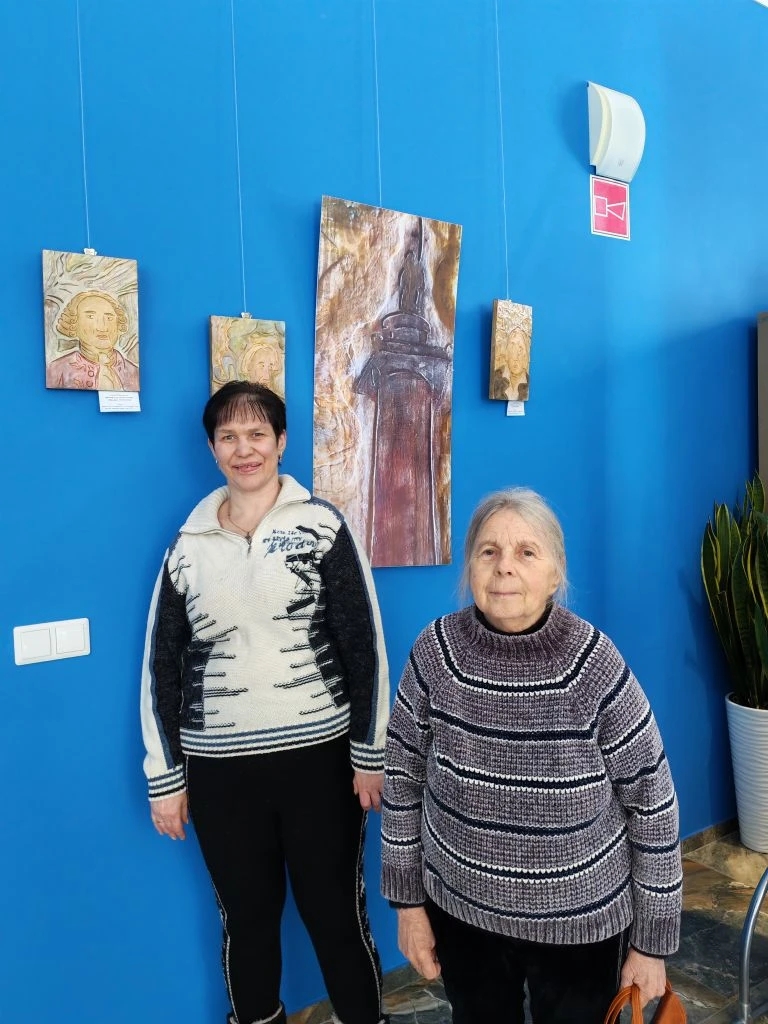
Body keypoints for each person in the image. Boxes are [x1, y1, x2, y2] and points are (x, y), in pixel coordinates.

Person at [381, 488, 682, 1024]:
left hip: (579, 930)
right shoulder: (436, 653)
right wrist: (408, 906)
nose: (504, 568)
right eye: (489, 551)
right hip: (462, 916)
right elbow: (401, 779)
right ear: (470, 566)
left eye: (526, 552)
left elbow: (653, 804)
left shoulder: (592, 663)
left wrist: (651, 944)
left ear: (555, 572)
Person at [140, 381, 390, 1024]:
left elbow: (364, 646)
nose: (243, 449)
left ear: (281, 442)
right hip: (220, 772)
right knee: (247, 920)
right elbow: (161, 667)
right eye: (228, 437)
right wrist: (165, 778)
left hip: (321, 763)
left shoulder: (323, 526)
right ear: (212, 448)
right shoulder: (187, 547)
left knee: (335, 914)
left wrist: (370, 755)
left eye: (257, 434)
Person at [46, 290, 139, 391]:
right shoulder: (57, 370)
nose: (102, 327)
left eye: (109, 318)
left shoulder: (133, 372)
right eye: (91, 317)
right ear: (73, 324)